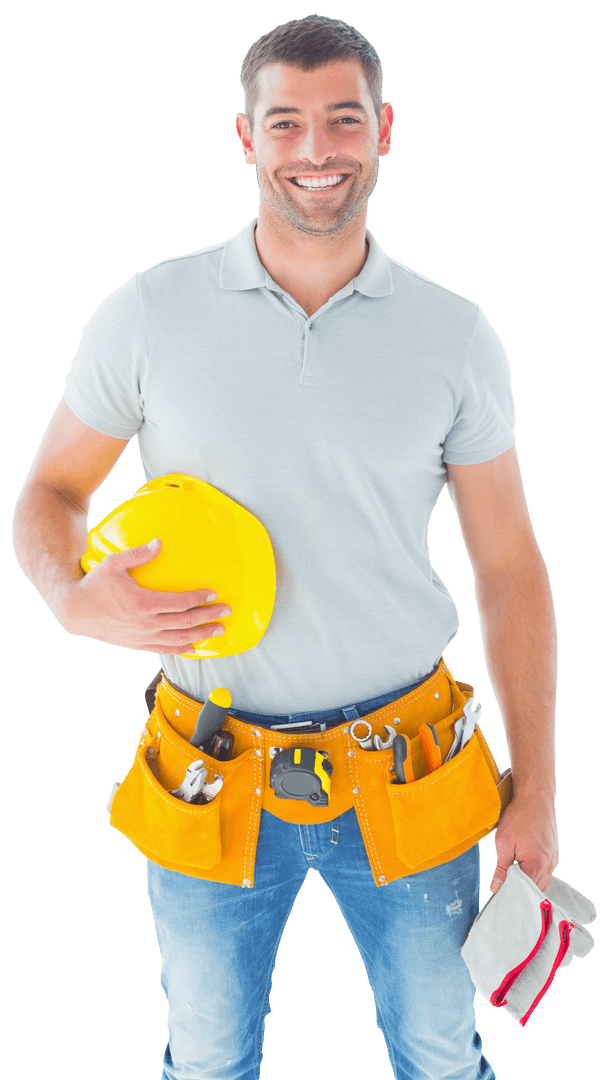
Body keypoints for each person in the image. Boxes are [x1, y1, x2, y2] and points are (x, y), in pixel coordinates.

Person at [12, 14, 559, 1080]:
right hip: (208, 772)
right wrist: (68, 597)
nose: (318, 151)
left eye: (344, 120)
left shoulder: (454, 333)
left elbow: (509, 564)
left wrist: (534, 791)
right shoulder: (148, 313)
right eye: (289, 123)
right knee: (207, 1060)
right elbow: (50, 493)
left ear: (385, 130)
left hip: (415, 769)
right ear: (247, 138)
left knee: (444, 1057)